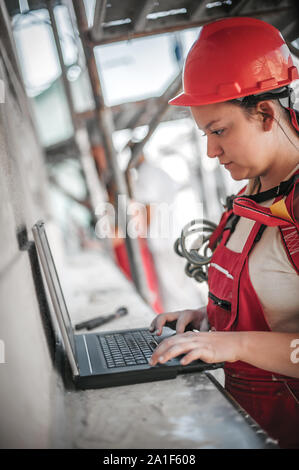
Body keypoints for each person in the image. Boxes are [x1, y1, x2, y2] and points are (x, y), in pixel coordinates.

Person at [148, 17, 299, 449]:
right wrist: (206, 317)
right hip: (248, 422)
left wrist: (230, 343)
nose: (210, 150)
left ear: (266, 114)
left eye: (218, 131)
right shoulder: (249, 198)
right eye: (204, 133)